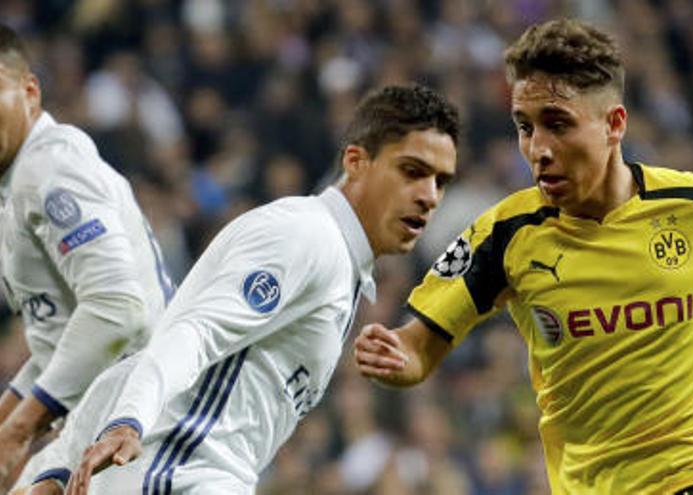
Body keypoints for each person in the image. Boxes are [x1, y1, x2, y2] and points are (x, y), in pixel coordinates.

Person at [352, 19, 693, 495]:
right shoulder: (504, 236)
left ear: (614, 124)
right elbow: (419, 349)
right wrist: (394, 355)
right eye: (523, 125)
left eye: (557, 123)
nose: (538, 147)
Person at [25, 84, 458, 494]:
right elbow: (192, 333)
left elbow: (140, 358)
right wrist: (127, 421)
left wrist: (59, 467)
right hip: (174, 478)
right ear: (355, 162)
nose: (429, 195)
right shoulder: (307, 237)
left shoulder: (340, 266)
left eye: (441, 181)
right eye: (412, 171)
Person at [0, 24, 174, 485]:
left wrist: (18, 430)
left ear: (30, 91)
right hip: (98, 421)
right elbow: (62, 343)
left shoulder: (51, 166)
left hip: (137, 428)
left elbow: (117, 309)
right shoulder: (14, 187)